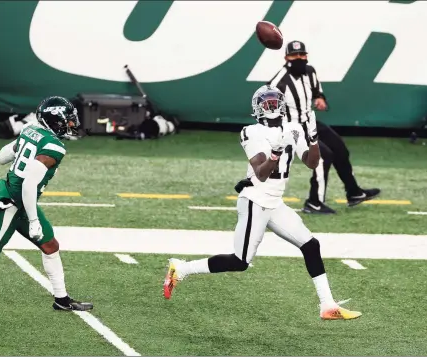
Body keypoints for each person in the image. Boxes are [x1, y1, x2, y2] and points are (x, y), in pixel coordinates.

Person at [163, 85, 361, 320]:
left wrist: (314, 139)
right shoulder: (251, 131)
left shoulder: (294, 127)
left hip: (275, 202)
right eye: (267, 102)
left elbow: (310, 162)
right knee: (240, 261)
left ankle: (328, 305)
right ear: (258, 107)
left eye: (275, 101)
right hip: (255, 201)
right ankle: (181, 268)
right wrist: (276, 151)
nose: (272, 106)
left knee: (311, 245)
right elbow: (261, 172)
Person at [0, 96, 93, 312]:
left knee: (50, 245)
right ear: (56, 120)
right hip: (12, 203)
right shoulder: (54, 147)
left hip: (21, 200)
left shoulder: (31, 129)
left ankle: (62, 300)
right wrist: (33, 220)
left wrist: (22, 154)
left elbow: (2, 157)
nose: (71, 124)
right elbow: (29, 185)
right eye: (68, 119)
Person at [268, 40, 380, 214]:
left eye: (302, 55)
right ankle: (314, 202)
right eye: (294, 55)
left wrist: (320, 98)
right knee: (322, 156)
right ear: (286, 57)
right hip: (293, 128)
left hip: (309, 122)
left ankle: (354, 193)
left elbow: (316, 91)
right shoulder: (278, 83)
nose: (299, 58)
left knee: (340, 150)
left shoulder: (309, 71)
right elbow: (267, 109)